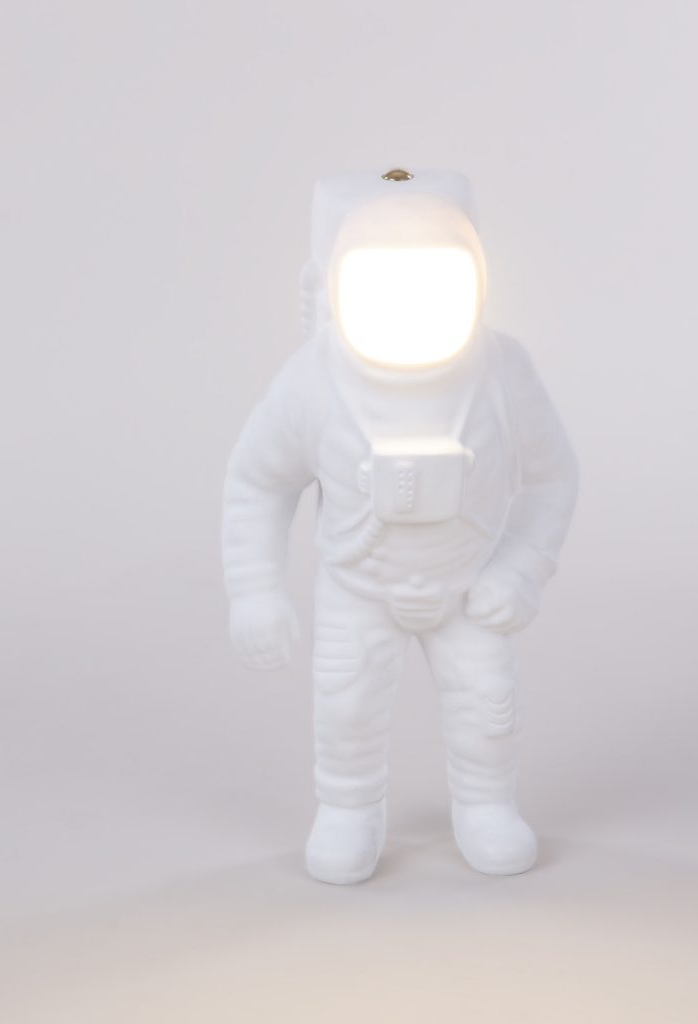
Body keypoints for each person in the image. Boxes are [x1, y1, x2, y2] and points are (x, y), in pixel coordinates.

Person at [223, 168, 579, 884]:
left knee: (486, 704)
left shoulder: (501, 372)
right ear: (335, 287)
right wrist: (255, 591)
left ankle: (485, 804)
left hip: (470, 586)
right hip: (358, 587)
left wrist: (519, 571)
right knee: (346, 702)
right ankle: (348, 807)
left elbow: (553, 477)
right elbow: (258, 480)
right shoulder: (313, 380)